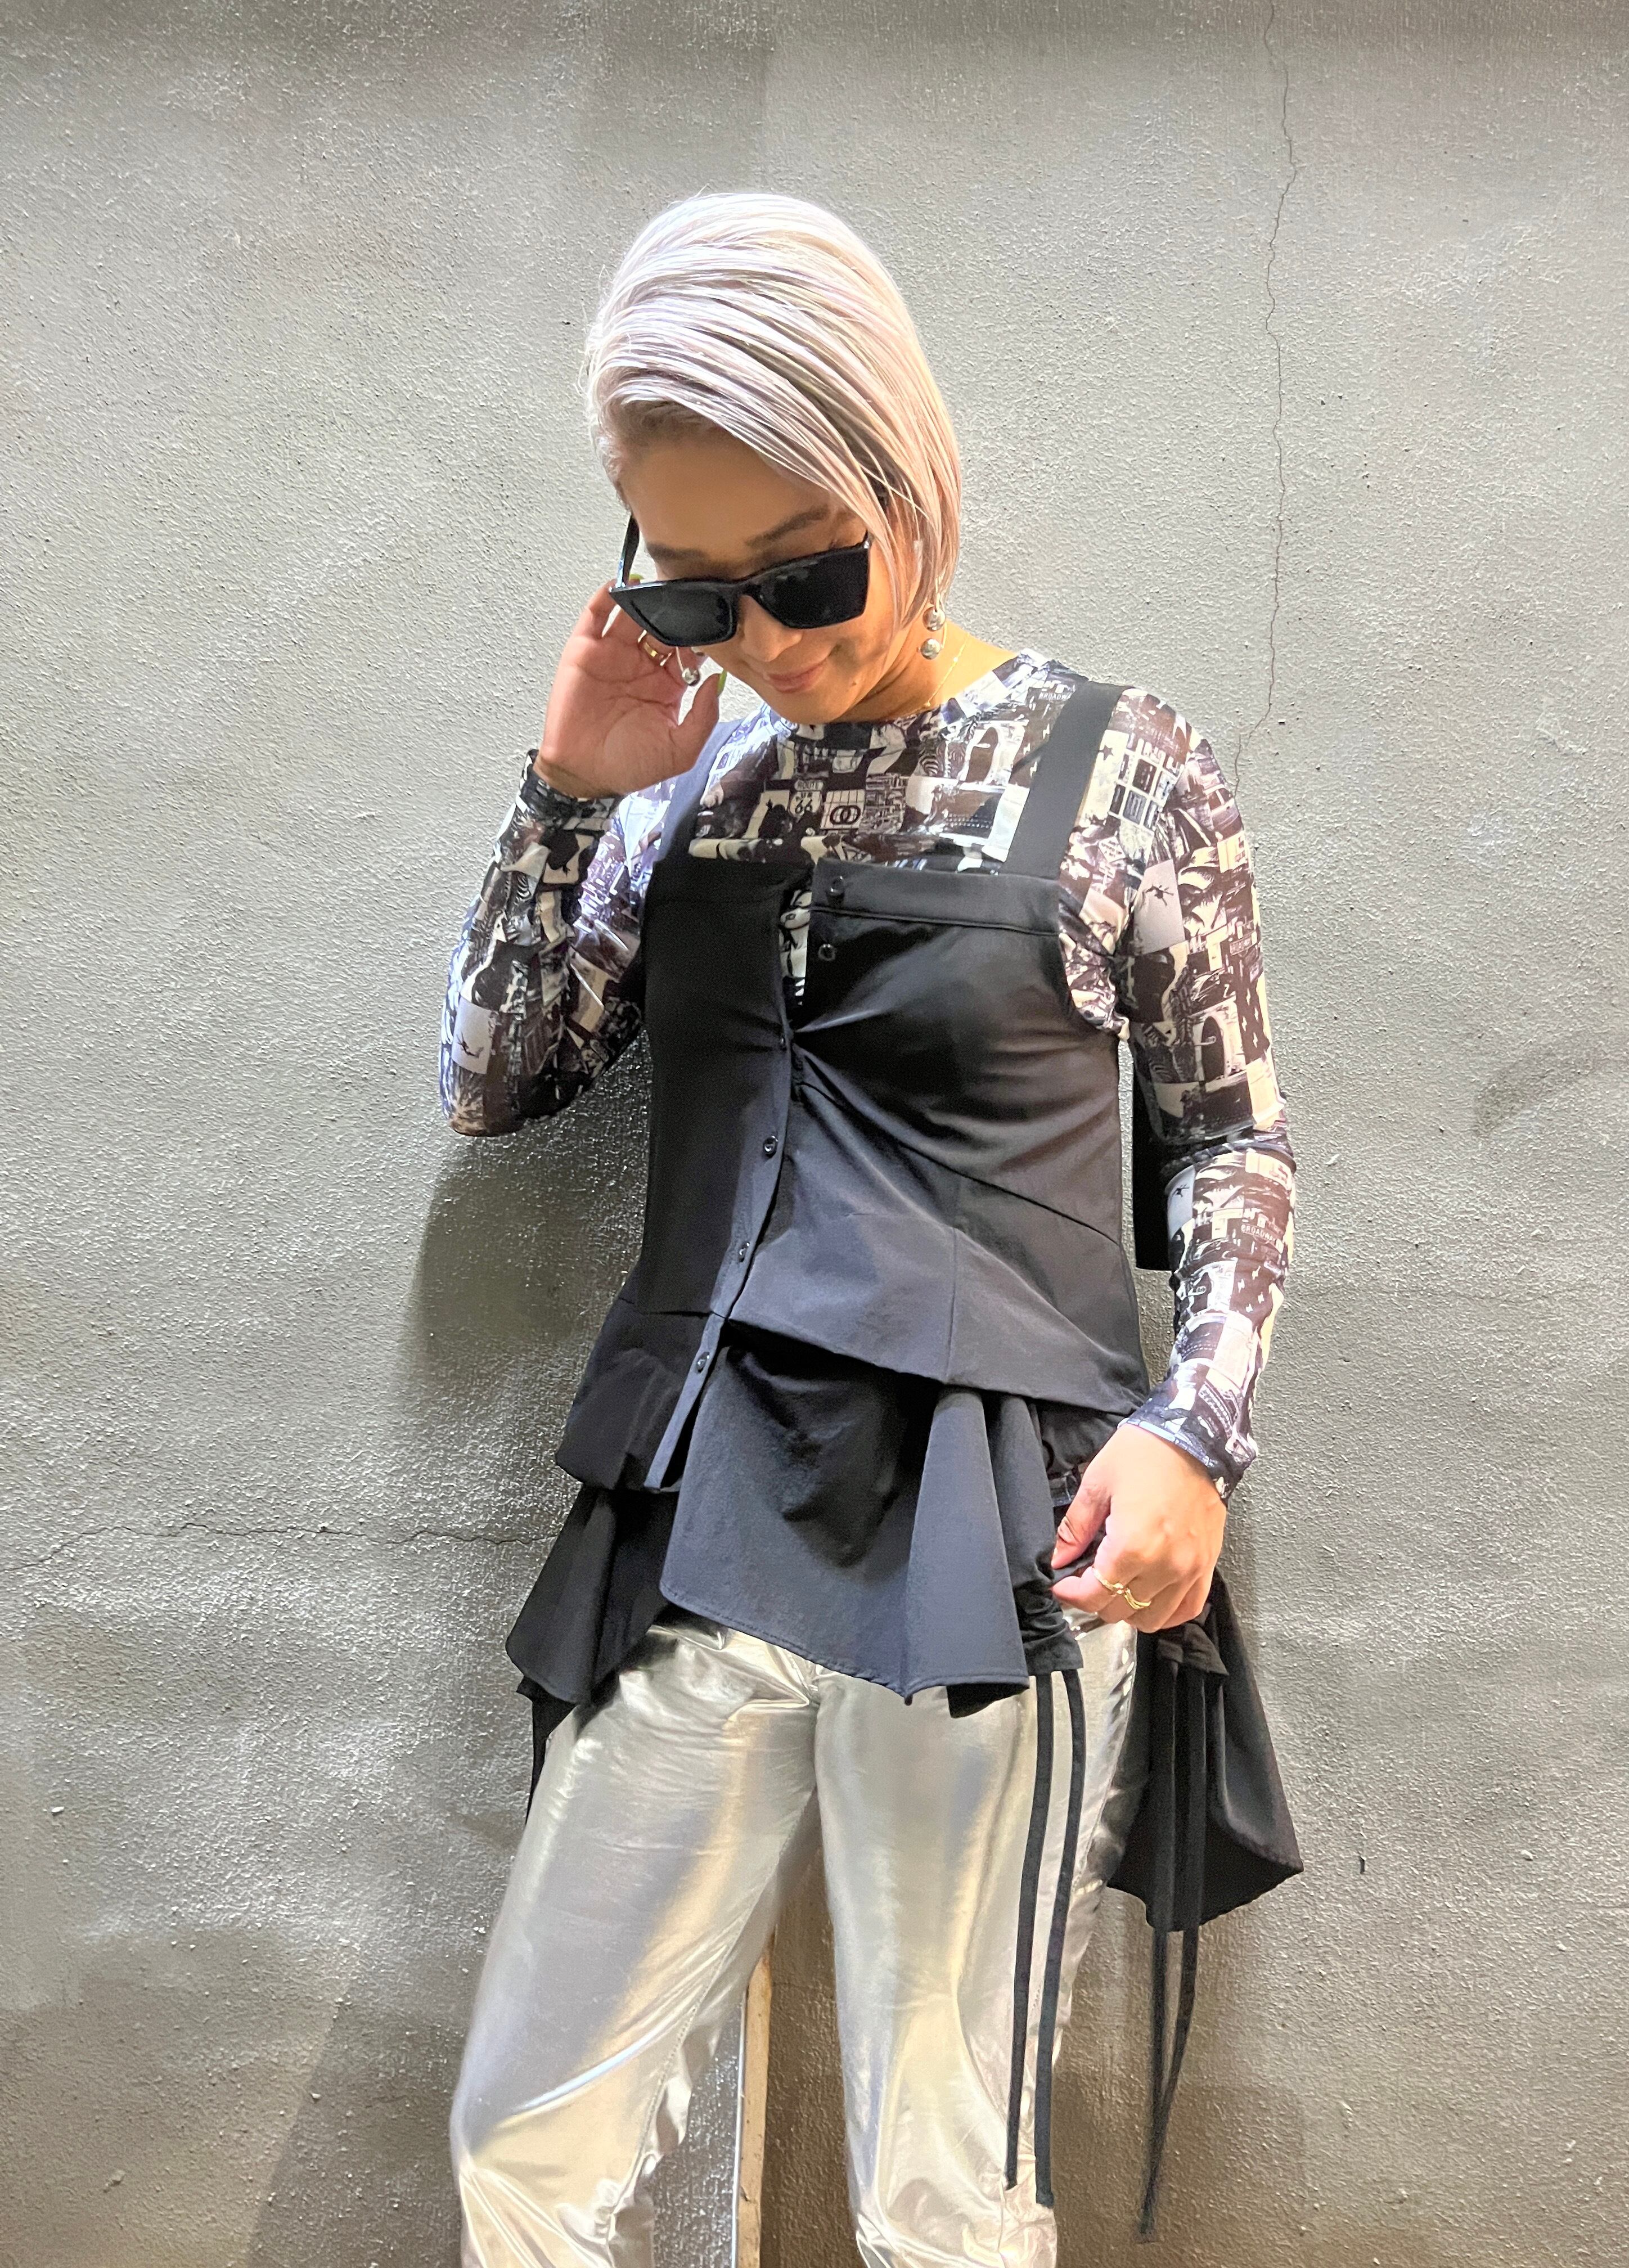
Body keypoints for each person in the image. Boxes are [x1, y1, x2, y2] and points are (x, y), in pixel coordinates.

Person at [439, 191, 1296, 2268]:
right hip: (704, 1503)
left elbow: (1233, 1149)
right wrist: (572, 789)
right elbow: (498, 1081)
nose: (769, 638)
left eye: (807, 571)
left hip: (1007, 1536)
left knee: (942, 2192)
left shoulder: (1120, 768)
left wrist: (1194, 1435)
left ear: (911, 484)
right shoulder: (692, 774)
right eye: (698, 593)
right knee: (527, 2141)